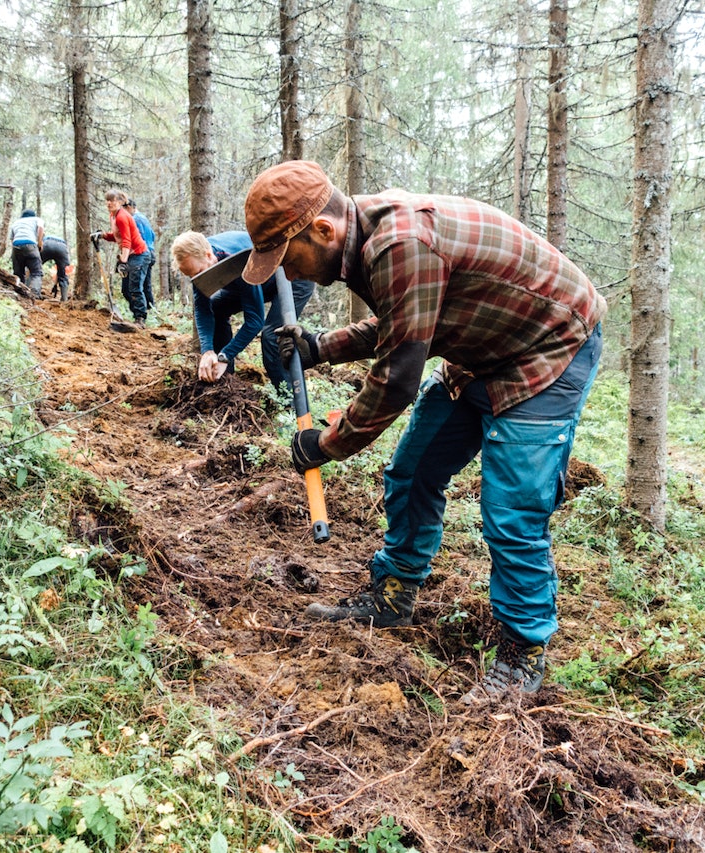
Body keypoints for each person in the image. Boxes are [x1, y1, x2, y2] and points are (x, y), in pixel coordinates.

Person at [241, 160, 607, 705]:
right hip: (479, 347)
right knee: (413, 471)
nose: (287, 275)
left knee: (512, 512)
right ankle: (393, 595)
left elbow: (395, 381)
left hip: (547, 350)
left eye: (286, 258)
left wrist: (326, 444)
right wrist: (320, 347)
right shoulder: (368, 237)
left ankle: (521, 655)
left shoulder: (401, 244)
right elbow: (405, 321)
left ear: (322, 230)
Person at [172, 230, 315, 389]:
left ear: (208, 255)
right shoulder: (197, 264)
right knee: (216, 308)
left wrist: (226, 355)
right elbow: (203, 310)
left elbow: (255, 321)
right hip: (256, 283)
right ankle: (224, 381)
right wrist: (208, 351)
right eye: (191, 277)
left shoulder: (237, 259)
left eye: (198, 273)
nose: (197, 280)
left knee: (273, 334)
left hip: (293, 277)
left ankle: (288, 399)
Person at [92, 190, 150, 324]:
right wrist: (103, 235)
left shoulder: (122, 217)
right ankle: (136, 314)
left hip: (139, 254)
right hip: (129, 255)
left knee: (135, 287)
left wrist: (123, 260)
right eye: (107, 200)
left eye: (111, 200)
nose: (108, 203)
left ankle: (140, 318)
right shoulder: (112, 216)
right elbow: (116, 236)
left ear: (119, 202)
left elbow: (126, 240)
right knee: (125, 290)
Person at [124, 198, 158, 314]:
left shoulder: (134, 219)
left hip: (141, 253)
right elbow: (153, 235)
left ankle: (140, 312)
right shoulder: (144, 218)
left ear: (129, 207)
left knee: (134, 286)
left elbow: (139, 237)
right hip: (151, 252)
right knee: (145, 284)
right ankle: (150, 310)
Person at [8, 209, 45, 298]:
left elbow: (12, 239)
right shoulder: (37, 219)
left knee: (18, 272)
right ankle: (35, 295)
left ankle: (19, 294)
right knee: (36, 272)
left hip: (16, 245)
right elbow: (40, 228)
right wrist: (39, 242)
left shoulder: (16, 222)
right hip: (30, 244)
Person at [40, 235, 72, 300]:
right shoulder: (63, 243)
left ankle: (33, 293)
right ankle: (64, 298)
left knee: (35, 268)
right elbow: (60, 270)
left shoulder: (44, 239)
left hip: (47, 244)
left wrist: (55, 285)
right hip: (62, 247)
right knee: (63, 274)